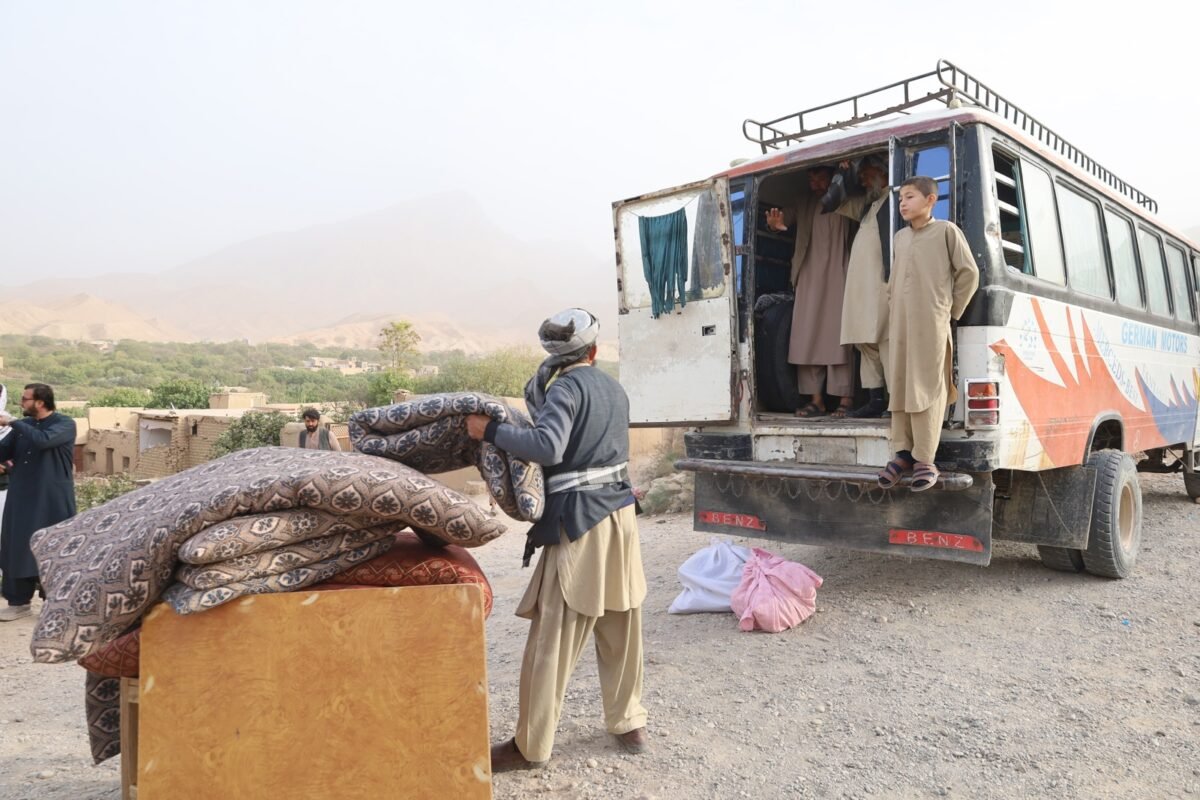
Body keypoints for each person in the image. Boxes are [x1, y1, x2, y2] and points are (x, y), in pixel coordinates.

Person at [464, 308, 648, 771]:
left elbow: (549, 447)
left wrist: (492, 431)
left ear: (556, 355)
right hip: (621, 516)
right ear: (594, 351)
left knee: (553, 637)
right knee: (621, 622)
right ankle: (629, 722)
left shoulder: (565, 387)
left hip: (581, 522)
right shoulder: (614, 387)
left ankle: (531, 746)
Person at [877, 177, 979, 492]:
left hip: (932, 323)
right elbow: (894, 282)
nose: (902, 203)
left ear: (930, 199)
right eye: (900, 199)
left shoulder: (947, 231)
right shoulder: (900, 238)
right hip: (901, 324)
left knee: (927, 387)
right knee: (900, 384)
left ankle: (924, 458)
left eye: (909, 197)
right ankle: (902, 453)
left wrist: (949, 311)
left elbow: (969, 273)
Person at [767, 166, 855, 418]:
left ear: (833, 178)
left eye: (820, 177)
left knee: (839, 335)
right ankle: (816, 400)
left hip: (841, 271)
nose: (815, 183)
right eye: (811, 179)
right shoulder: (804, 202)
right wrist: (776, 224)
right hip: (808, 274)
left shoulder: (847, 200)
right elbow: (785, 218)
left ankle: (845, 399)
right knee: (808, 335)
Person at [0, 383, 78, 621]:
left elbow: (43, 441)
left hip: (52, 499)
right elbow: (3, 452)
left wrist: (12, 422)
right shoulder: (25, 427)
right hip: (22, 496)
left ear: (40, 403)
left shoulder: (64, 424)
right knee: (16, 546)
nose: (21, 403)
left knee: (54, 548)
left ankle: (54, 602)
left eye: (25, 399)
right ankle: (18, 602)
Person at [831, 155, 893, 418]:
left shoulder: (896, 200)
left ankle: (894, 402)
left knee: (887, 341)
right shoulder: (869, 204)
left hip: (882, 284)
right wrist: (844, 173)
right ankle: (875, 399)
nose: (864, 181)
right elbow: (834, 202)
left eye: (867, 174)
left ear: (883, 174)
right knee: (866, 341)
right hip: (861, 287)